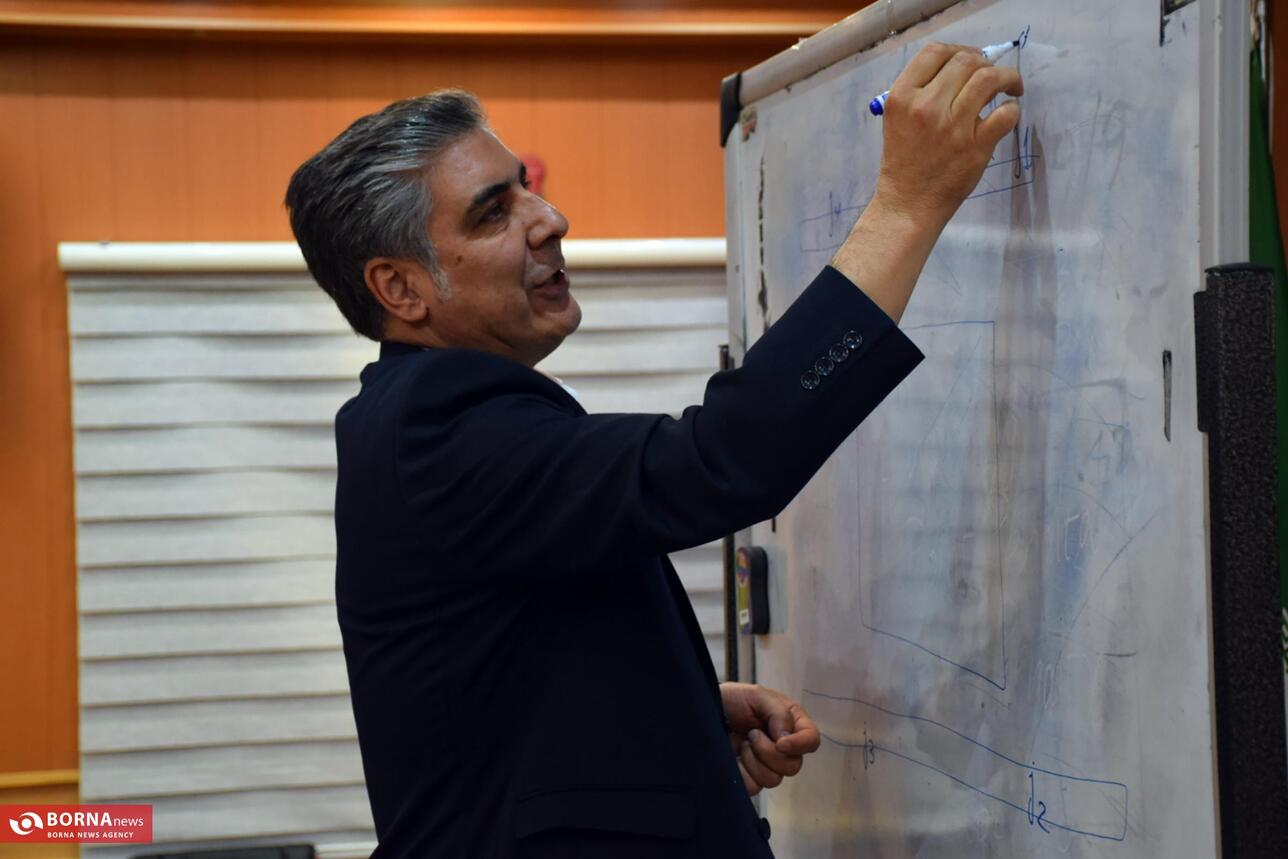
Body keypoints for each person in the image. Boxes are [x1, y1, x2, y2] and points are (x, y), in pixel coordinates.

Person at [284, 42, 1022, 858]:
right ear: (400, 288)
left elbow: (503, 673)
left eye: (527, 188)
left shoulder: (425, 419)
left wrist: (675, 715)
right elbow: (719, 460)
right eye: (493, 213)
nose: (549, 220)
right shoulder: (434, 424)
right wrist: (904, 208)